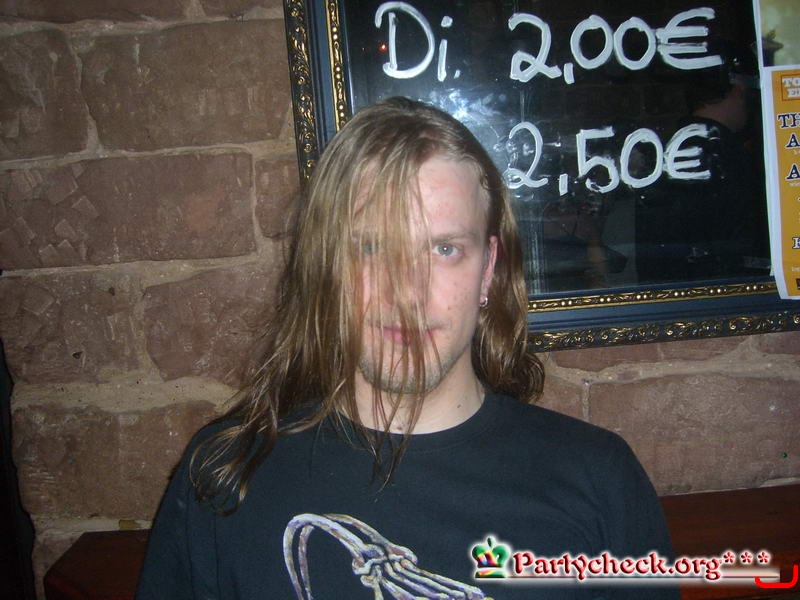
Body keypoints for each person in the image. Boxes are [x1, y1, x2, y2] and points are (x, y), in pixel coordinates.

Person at [136, 97, 676, 599]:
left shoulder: (599, 479)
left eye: (444, 249)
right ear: (328, 266)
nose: (407, 293)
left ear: (488, 269)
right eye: (372, 247)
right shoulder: (224, 475)